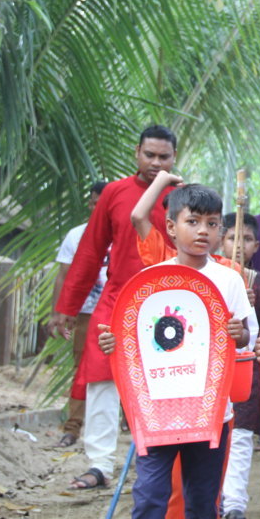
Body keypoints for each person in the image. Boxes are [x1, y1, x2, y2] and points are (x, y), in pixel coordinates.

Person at [96, 184, 256, 519]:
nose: (203, 231)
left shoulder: (230, 279)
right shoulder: (152, 281)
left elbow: (250, 336)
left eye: (212, 223)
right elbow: (133, 339)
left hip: (213, 412)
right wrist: (112, 344)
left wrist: (241, 332)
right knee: (150, 494)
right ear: (171, 227)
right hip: (160, 411)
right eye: (193, 221)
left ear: (220, 230)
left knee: (202, 500)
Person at [53, 125, 179, 490]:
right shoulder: (114, 193)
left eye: (164, 157)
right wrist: (67, 307)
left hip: (167, 302)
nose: (156, 163)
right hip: (117, 298)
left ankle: (161, 459)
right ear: (136, 153)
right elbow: (90, 251)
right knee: (100, 374)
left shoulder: (183, 196)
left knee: (167, 378)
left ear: (174, 158)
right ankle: (100, 464)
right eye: (150, 155)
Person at [220, 211, 260, 519]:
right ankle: (214, 506)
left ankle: (235, 505)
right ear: (221, 240)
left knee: (241, 436)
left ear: (256, 245)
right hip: (214, 371)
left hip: (249, 373)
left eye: (245, 239)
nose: (238, 245)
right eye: (232, 238)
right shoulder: (215, 279)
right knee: (217, 438)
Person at [52, 180, 107, 448]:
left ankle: (131, 427)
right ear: (90, 203)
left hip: (120, 312)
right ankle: (72, 428)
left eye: (104, 203)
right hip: (86, 313)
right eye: (95, 202)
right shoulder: (77, 235)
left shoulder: (125, 232)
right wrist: (61, 311)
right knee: (81, 369)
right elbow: (64, 275)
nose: (99, 208)